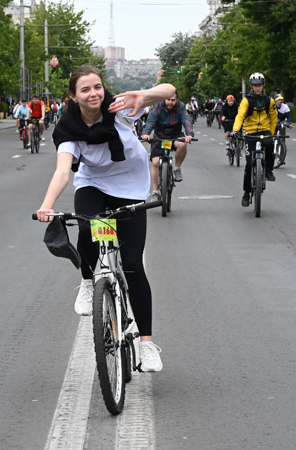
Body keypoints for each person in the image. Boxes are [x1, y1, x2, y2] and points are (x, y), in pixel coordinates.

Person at [36, 65, 177, 372]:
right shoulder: (69, 128)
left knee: (132, 265)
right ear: (73, 97)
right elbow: (63, 171)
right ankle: (88, 281)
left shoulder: (121, 109)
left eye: (97, 87)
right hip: (94, 185)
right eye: (85, 89)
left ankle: (147, 345)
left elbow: (169, 91)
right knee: (87, 229)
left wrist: (144, 96)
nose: (93, 94)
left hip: (130, 189)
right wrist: (47, 205)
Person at [232, 72, 277, 207]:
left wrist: (272, 133)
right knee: (248, 164)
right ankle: (246, 193)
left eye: (260, 85)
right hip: (250, 131)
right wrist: (236, 129)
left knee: (269, 144)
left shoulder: (269, 100)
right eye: (255, 86)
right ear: (251, 86)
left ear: (263, 86)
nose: (258, 88)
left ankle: (268, 170)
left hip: (264, 129)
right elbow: (240, 115)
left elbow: (273, 119)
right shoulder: (247, 100)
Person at [141, 91, 194, 201]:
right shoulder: (158, 107)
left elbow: (186, 120)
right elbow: (151, 121)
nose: (170, 102)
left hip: (175, 137)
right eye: (168, 99)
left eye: (173, 100)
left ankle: (177, 169)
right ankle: (155, 192)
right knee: (155, 163)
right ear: (165, 99)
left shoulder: (181, 107)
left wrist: (189, 134)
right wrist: (145, 133)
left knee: (183, 144)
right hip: (159, 137)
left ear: (177, 100)